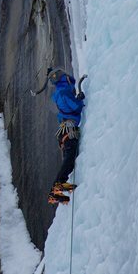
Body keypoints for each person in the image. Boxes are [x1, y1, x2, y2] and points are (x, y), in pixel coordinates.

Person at [46, 68, 85, 205]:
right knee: (69, 158)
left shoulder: (60, 91)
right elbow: (75, 107)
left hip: (65, 130)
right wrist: (79, 100)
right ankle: (56, 189)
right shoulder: (64, 91)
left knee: (69, 159)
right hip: (68, 129)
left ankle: (59, 187)